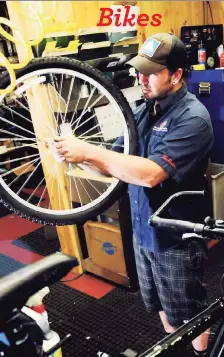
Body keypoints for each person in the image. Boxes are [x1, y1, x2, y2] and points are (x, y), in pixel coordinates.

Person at [54, 33, 214, 356]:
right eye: (140, 70)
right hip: (143, 235)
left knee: (191, 313)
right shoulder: (142, 113)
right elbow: (114, 165)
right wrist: (82, 157)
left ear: (177, 74)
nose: (141, 78)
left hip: (175, 241)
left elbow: (150, 174)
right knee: (162, 308)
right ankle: (177, 348)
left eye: (151, 71)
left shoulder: (193, 119)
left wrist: (88, 151)